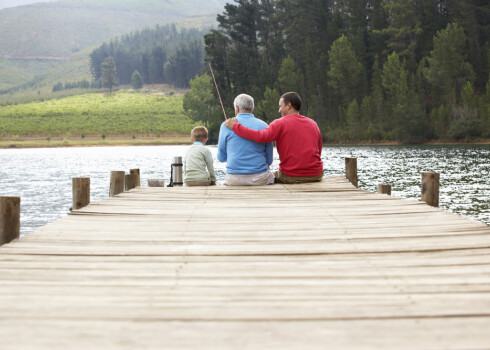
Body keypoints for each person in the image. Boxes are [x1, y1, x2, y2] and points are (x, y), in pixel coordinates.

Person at [224, 91, 323, 184]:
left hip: (291, 176)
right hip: (316, 175)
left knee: (271, 175)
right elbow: (319, 150)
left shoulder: (280, 123)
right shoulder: (313, 123)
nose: (279, 110)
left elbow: (260, 136)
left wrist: (236, 127)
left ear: (289, 105)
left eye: (280, 106)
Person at [217, 93, 274, 186]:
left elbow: (221, 157)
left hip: (234, 179)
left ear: (237, 108)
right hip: (260, 179)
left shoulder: (226, 125)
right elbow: (269, 160)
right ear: (252, 108)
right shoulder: (264, 125)